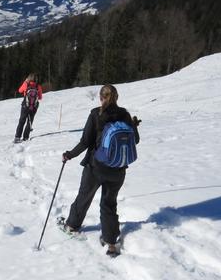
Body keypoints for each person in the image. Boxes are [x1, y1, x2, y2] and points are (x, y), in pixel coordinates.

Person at [61, 84, 141, 257]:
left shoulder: (95, 114)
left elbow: (85, 142)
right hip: (118, 169)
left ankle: (72, 226)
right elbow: (136, 140)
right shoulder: (125, 114)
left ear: (100, 97)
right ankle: (111, 242)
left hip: (96, 166)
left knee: (84, 196)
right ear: (117, 98)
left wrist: (69, 155)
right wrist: (133, 126)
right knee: (109, 204)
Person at [14, 73, 43, 143]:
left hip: (25, 106)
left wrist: (25, 82)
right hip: (33, 106)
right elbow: (40, 97)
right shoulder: (38, 86)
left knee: (21, 121)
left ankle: (17, 137)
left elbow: (19, 90)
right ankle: (25, 137)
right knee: (29, 122)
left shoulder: (26, 84)